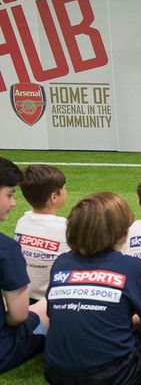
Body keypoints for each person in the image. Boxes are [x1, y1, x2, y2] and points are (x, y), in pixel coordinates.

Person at [44, 192, 141, 384]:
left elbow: (55, 312)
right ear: (122, 233)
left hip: (55, 372)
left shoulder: (62, 262)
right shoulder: (132, 267)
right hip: (111, 374)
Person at [0, 157, 47, 374]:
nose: (13, 203)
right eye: (9, 195)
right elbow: (18, 316)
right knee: (49, 305)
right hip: (4, 351)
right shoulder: (6, 248)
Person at [15, 164, 70, 302]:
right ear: (54, 197)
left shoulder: (22, 222)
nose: (66, 191)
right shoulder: (65, 227)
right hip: (54, 299)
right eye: (64, 188)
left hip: (25, 297)